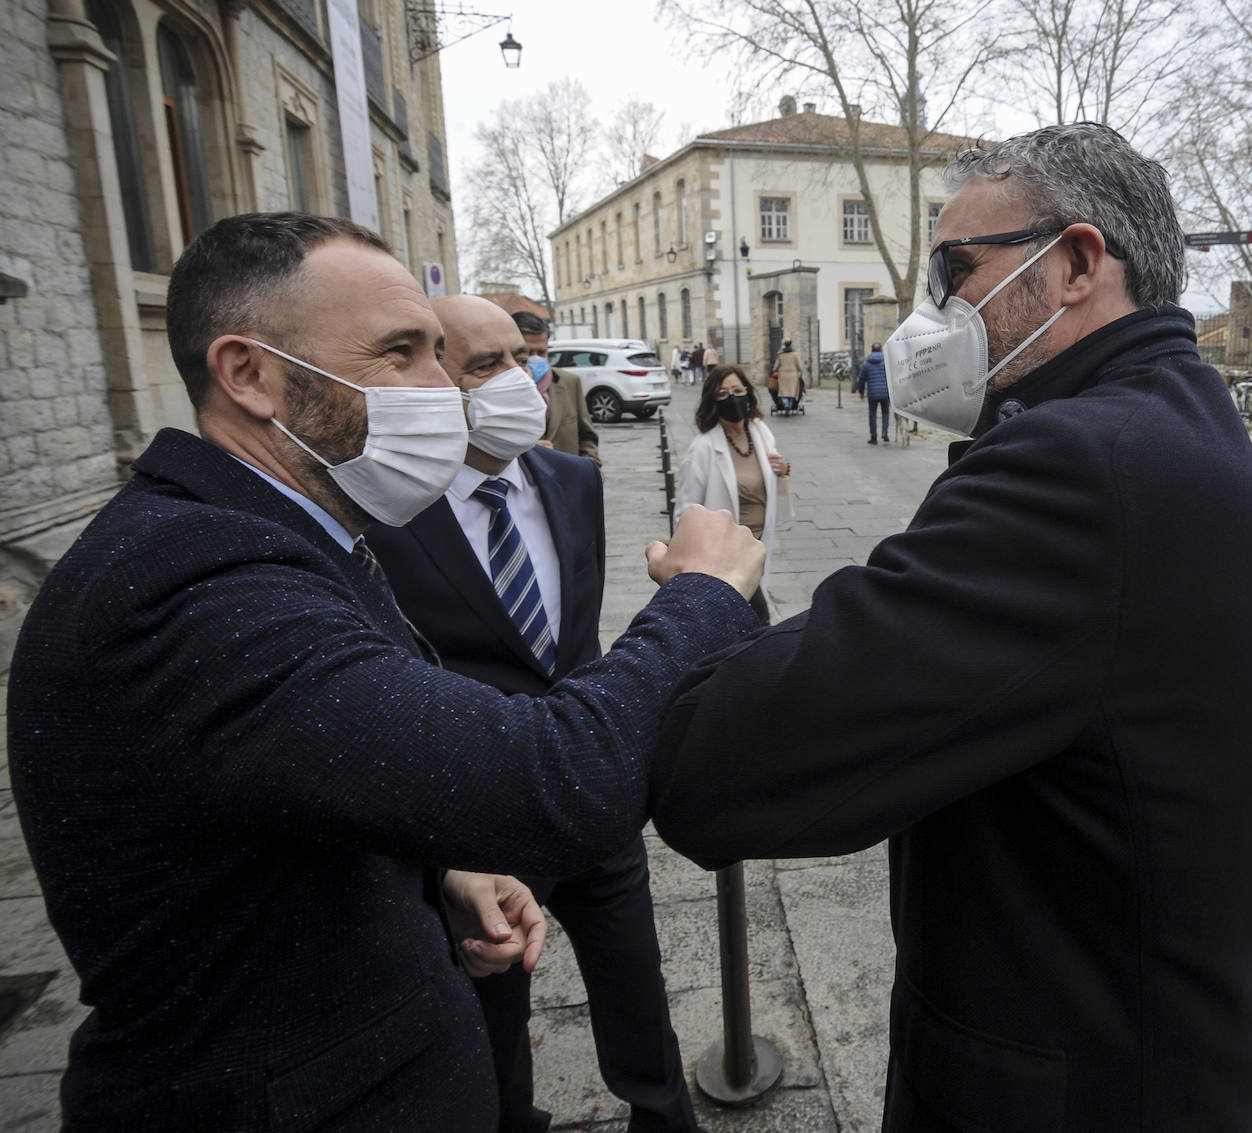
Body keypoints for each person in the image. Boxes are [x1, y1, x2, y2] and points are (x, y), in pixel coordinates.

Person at [7, 212, 764, 1130]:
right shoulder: (193, 583)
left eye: (445, 354)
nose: (444, 388)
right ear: (249, 374)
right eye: (402, 352)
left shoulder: (292, 537)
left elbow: (296, 772)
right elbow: (553, 780)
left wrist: (436, 874)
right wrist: (703, 593)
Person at [650, 124, 1252, 1130]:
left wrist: (704, 589)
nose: (936, 312)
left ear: (1079, 262)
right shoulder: (1171, 415)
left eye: (955, 271)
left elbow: (716, 767)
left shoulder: (1082, 467)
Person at [367, 296, 698, 1133]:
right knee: (494, 1025)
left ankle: (665, 1117)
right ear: (436, 380)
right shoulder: (387, 513)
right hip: (483, 819)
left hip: (596, 797)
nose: (522, 378)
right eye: (488, 364)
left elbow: (575, 638)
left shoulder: (571, 477)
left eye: (526, 355)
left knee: (638, 988)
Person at [674, 365, 790, 625]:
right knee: (759, 621)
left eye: (738, 390)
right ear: (713, 401)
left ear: (748, 393)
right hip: (724, 558)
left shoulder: (761, 433)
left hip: (758, 546)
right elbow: (684, 512)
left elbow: (773, 480)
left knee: (741, 624)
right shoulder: (703, 448)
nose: (732, 398)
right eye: (723, 393)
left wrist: (784, 470)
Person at [512, 310, 599, 465]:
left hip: (567, 483)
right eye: (528, 353)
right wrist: (525, 451)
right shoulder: (499, 388)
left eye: (542, 352)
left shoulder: (569, 382)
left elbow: (587, 437)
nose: (536, 358)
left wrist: (590, 470)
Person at [856, 342, 890, 443]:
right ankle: (884, 432)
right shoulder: (886, 362)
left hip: (872, 394)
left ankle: (874, 437)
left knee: (872, 415)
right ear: (880, 350)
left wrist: (861, 392)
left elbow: (861, 379)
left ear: (871, 350)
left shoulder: (866, 363)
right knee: (885, 413)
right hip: (885, 393)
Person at [772, 339, 802, 410]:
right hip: (793, 375)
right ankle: (790, 405)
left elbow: (776, 366)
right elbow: (799, 366)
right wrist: (799, 370)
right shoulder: (795, 354)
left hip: (783, 376)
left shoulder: (780, 355)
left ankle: (786, 404)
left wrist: (774, 369)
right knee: (792, 391)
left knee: (783, 391)